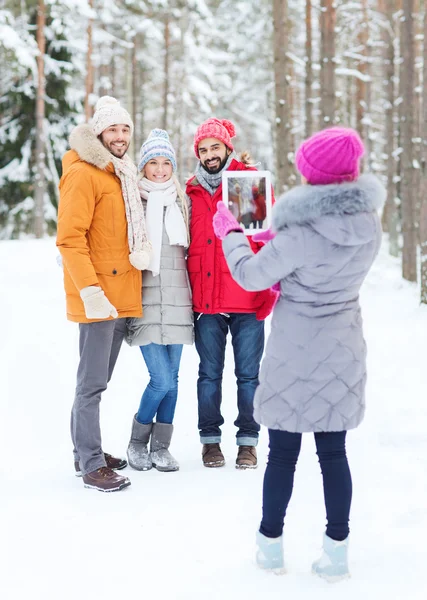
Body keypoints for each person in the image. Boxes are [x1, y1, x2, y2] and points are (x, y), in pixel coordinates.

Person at [212, 127, 385, 580]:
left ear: (314, 175)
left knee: (282, 453)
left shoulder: (299, 231)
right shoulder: (369, 222)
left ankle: (270, 546)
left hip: (295, 351)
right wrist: (279, 245)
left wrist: (231, 231)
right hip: (343, 345)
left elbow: (250, 276)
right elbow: (322, 262)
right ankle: (337, 553)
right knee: (334, 453)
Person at [56, 96, 152, 492]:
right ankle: (92, 463)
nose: (120, 135)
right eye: (112, 128)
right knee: (91, 383)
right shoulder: (85, 173)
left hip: (118, 293)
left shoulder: (121, 173)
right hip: (99, 296)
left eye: (125, 128)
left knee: (97, 381)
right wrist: (90, 290)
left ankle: (85, 452)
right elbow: (69, 239)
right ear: (98, 132)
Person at [186, 117, 277, 469]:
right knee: (208, 375)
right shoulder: (191, 190)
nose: (210, 154)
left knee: (249, 375)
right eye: (203, 149)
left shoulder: (248, 182)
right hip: (207, 299)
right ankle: (210, 442)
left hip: (246, 295)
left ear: (227, 148)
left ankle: (248, 442)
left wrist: (269, 285)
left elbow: (265, 239)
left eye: (215, 147)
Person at [126, 129, 193, 473]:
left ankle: (161, 447)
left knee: (175, 380)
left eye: (166, 162)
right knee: (161, 379)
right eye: (153, 162)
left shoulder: (181, 200)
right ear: (143, 166)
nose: (160, 169)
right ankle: (137, 441)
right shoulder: (133, 201)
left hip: (180, 300)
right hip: (145, 301)